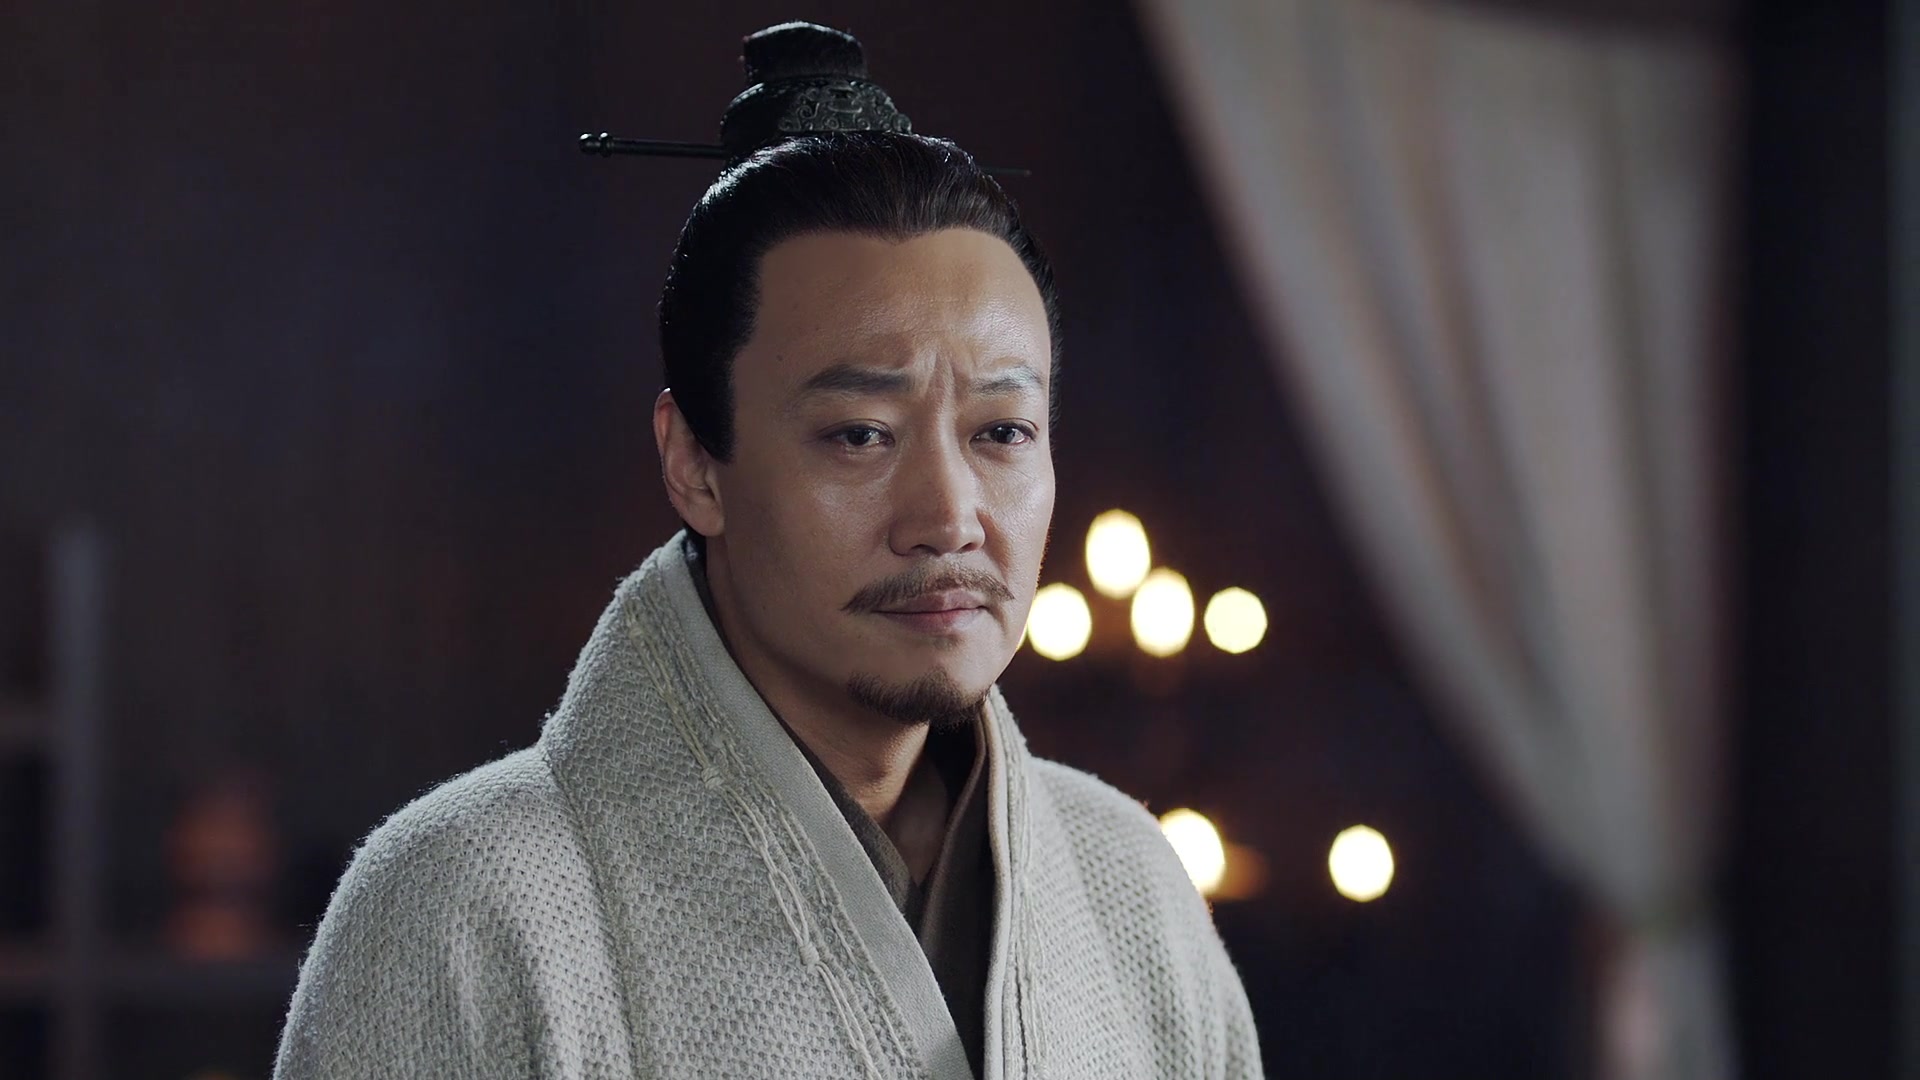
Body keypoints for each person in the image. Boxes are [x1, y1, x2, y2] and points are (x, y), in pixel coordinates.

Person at [273, 21, 1261, 1080]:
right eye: (860, 435)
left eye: (1003, 432)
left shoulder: (1129, 885)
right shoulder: (460, 905)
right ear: (696, 464)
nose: (948, 516)